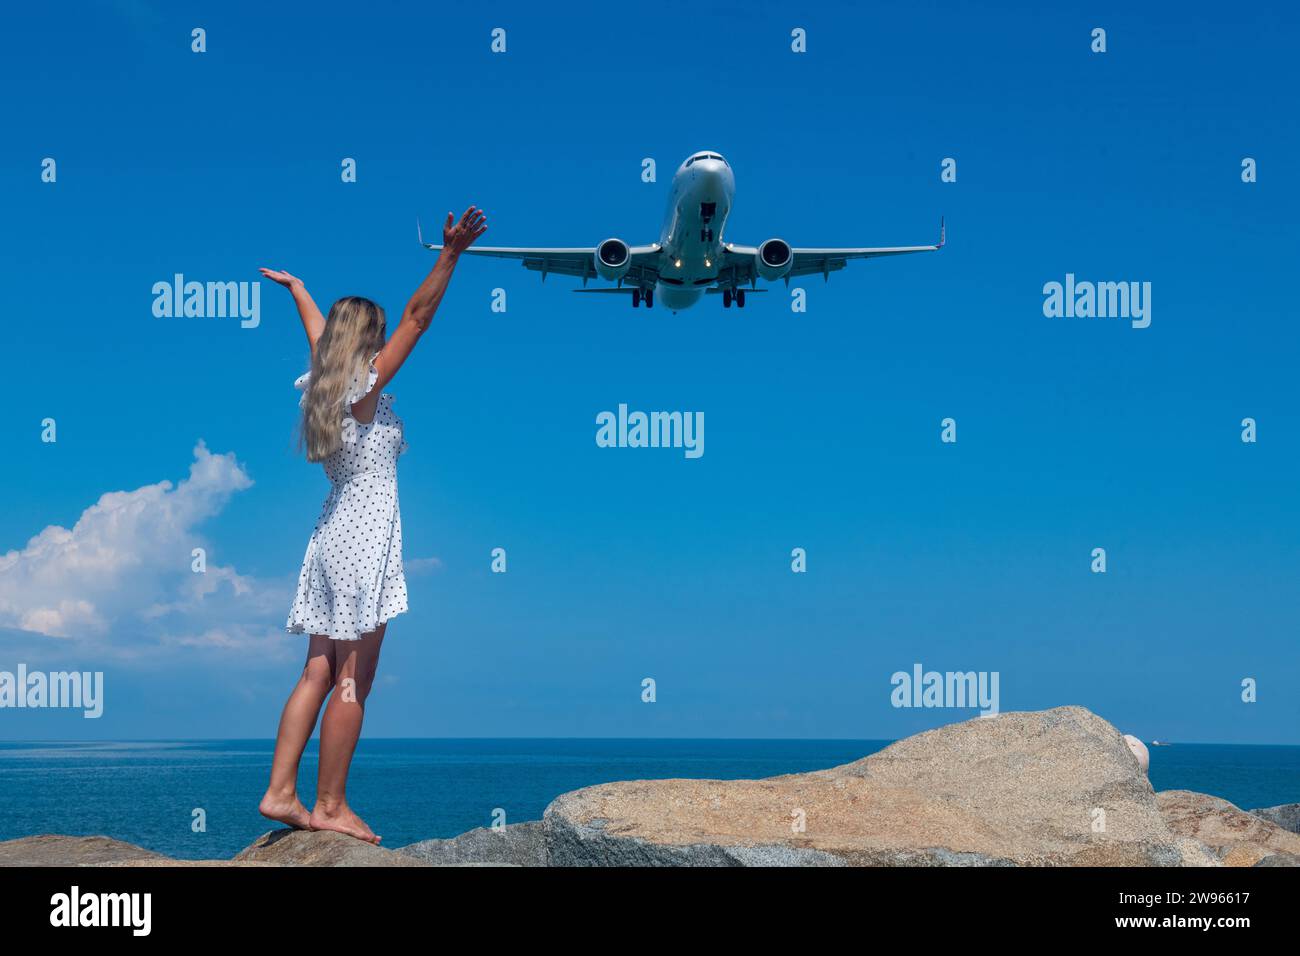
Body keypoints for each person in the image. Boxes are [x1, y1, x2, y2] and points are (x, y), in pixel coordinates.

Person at [255, 206, 487, 843]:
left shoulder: (324, 386)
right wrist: (451, 255)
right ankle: (329, 805)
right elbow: (419, 316)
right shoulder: (363, 388)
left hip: (330, 535)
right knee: (354, 678)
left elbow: (317, 336)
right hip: (363, 538)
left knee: (318, 672)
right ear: (367, 343)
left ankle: (281, 792)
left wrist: (300, 290)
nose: (387, 343)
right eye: (377, 336)